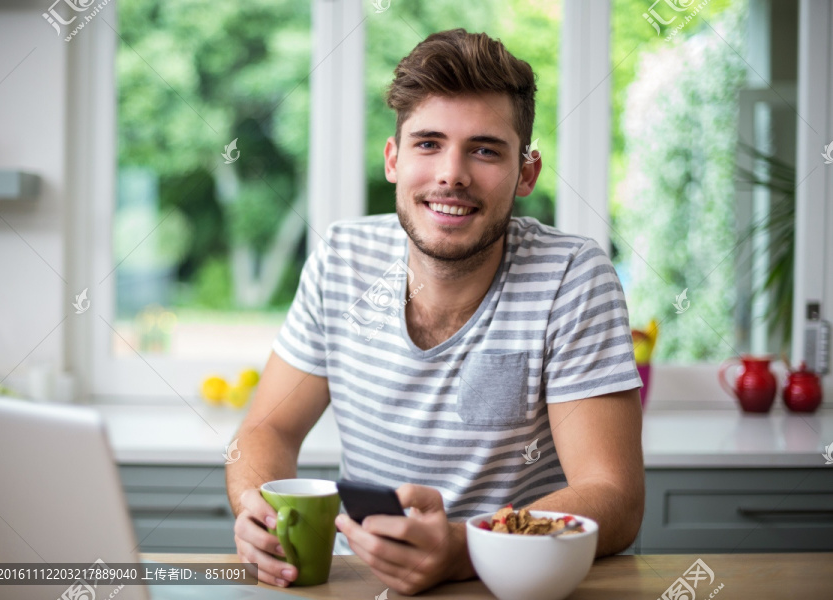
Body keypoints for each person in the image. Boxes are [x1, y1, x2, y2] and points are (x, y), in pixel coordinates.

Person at [226, 28, 644, 596]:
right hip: (361, 583)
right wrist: (260, 510)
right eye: (428, 143)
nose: (452, 174)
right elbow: (265, 427)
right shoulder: (342, 260)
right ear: (393, 159)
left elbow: (613, 495)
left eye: (485, 149)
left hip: (515, 586)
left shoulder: (572, 277)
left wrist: (464, 546)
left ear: (527, 172)